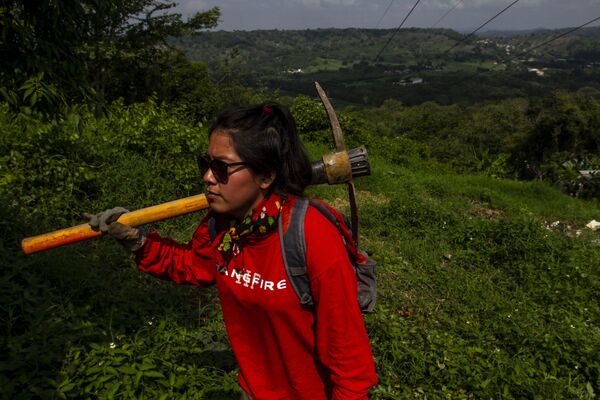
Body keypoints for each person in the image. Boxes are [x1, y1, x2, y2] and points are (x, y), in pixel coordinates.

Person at [86, 103, 378, 399]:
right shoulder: (223, 226)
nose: (208, 178)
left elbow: (347, 355)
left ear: (265, 176)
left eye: (221, 168)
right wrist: (139, 242)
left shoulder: (311, 234)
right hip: (253, 391)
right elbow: (194, 265)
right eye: (207, 164)